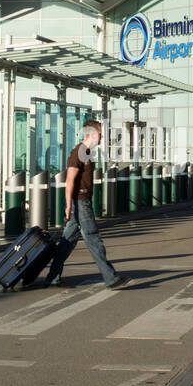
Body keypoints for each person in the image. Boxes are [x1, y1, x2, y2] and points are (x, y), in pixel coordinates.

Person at [43, 120, 129, 289]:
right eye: (101, 134)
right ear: (93, 134)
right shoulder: (78, 152)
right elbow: (69, 180)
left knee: (67, 242)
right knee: (93, 238)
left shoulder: (86, 152)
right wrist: (68, 205)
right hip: (81, 202)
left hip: (81, 202)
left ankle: (52, 277)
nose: (102, 137)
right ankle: (110, 278)